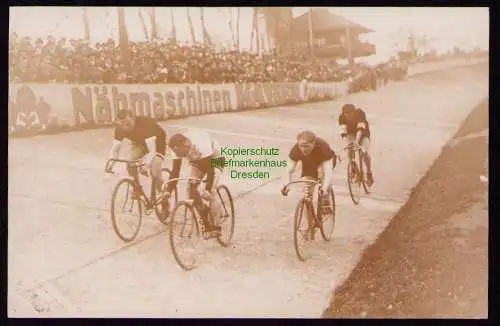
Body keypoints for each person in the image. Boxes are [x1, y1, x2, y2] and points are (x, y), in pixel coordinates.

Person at [165, 128, 225, 236]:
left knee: (211, 191)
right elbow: (175, 171)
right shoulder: (176, 148)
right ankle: (205, 219)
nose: (178, 155)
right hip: (197, 161)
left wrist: (207, 189)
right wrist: (168, 190)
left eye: (179, 153)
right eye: (176, 153)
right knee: (191, 190)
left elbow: (210, 171)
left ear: (185, 144)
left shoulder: (201, 142)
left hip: (215, 159)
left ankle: (217, 227)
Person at [106, 109, 167, 202]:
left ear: (133, 118)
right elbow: (115, 149)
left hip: (156, 142)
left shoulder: (145, 123)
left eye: (128, 124)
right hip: (139, 142)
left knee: (154, 171)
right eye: (122, 125)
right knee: (130, 163)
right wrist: (111, 162)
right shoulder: (119, 129)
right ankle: (137, 189)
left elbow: (152, 151)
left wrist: (146, 165)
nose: (125, 127)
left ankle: (164, 201)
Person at [281, 130, 337, 214]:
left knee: (322, 174)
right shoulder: (296, 149)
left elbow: (328, 171)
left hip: (324, 162)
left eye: (306, 146)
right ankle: (310, 222)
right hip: (309, 164)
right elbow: (289, 170)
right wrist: (286, 185)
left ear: (313, 144)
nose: (303, 149)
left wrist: (324, 188)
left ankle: (325, 201)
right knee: (307, 191)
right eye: (301, 146)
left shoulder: (322, 147)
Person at [338, 103, 374, 186]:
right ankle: (354, 169)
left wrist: (357, 142)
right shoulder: (341, 117)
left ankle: (369, 172)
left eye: (351, 114)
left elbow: (360, 129)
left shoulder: (360, 113)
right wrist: (348, 144)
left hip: (363, 134)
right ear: (343, 114)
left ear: (354, 112)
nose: (349, 116)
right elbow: (343, 133)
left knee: (364, 151)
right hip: (351, 134)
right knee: (350, 150)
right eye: (347, 114)